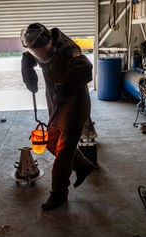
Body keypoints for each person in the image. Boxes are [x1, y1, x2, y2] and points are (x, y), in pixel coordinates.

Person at [20, 23, 96, 210]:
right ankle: (83, 166)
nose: (40, 56)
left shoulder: (69, 50)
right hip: (56, 107)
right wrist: (27, 66)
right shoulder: (38, 47)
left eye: (41, 52)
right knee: (51, 141)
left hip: (74, 109)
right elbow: (33, 55)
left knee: (63, 153)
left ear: (50, 41)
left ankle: (59, 193)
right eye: (35, 52)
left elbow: (86, 68)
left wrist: (66, 86)